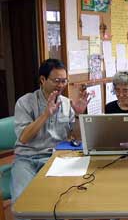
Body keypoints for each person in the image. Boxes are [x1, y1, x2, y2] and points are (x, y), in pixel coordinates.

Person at [10, 59, 90, 207]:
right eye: (56, 81)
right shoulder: (25, 102)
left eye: (64, 81)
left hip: (56, 158)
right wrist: (45, 114)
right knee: (21, 204)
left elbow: (77, 138)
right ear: (42, 79)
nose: (61, 85)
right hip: (27, 159)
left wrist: (79, 115)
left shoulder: (66, 103)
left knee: (63, 201)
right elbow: (24, 138)